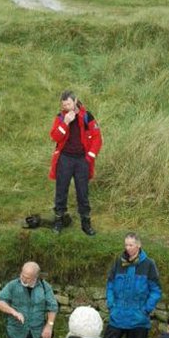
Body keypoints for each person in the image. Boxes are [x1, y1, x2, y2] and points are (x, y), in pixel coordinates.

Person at [104, 232, 163, 338]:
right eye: (126, 245)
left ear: (139, 245)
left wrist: (146, 309)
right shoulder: (118, 262)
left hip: (138, 321)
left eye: (131, 245)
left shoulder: (149, 264)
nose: (128, 248)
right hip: (117, 317)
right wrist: (112, 305)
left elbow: (156, 290)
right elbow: (110, 285)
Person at [48, 90, 103, 236]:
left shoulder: (87, 116)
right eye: (64, 104)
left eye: (69, 104)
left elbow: (97, 138)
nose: (66, 107)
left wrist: (90, 157)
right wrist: (65, 123)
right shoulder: (60, 117)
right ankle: (58, 223)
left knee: (83, 193)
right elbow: (55, 137)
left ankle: (86, 225)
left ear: (75, 101)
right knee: (61, 192)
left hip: (82, 160)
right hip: (65, 159)